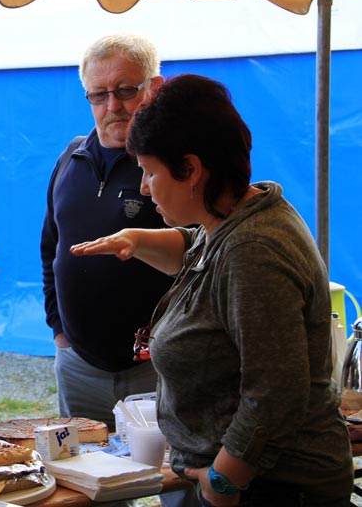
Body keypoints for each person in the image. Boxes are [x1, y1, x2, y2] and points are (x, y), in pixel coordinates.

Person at [71, 74, 353, 506]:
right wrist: (136, 239)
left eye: (150, 172)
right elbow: (200, 254)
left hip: (274, 488)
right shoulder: (233, 217)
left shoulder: (253, 250)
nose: (144, 187)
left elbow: (275, 392)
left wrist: (224, 479)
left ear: (191, 170)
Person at [40, 33, 172, 430]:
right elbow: (51, 247)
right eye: (98, 95)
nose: (113, 106)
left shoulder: (173, 165)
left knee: (167, 466)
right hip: (79, 366)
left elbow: (202, 256)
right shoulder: (71, 158)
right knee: (88, 469)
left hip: (155, 368)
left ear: (154, 87)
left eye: (126, 90)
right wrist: (59, 331)